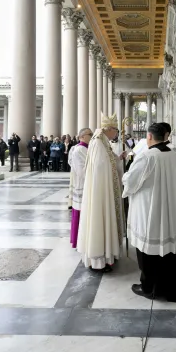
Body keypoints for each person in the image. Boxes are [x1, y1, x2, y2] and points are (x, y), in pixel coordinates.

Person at [123, 123, 176, 302]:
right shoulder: (172, 154)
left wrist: (125, 174)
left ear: (149, 136)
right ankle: (171, 286)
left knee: (149, 246)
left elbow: (131, 181)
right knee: (168, 248)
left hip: (150, 208)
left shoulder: (147, 156)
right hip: (169, 208)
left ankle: (149, 287)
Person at [78, 113, 127, 272]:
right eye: (116, 131)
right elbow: (100, 167)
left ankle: (108, 256)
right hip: (101, 190)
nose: (117, 134)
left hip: (106, 187)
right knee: (100, 220)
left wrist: (118, 158)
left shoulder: (103, 141)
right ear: (110, 129)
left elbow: (109, 160)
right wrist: (115, 166)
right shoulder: (98, 142)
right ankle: (99, 260)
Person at [68, 128, 92, 248]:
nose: (92, 136)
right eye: (90, 134)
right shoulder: (79, 150)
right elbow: (81, 171)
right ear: (82, 136)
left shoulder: (87, 148)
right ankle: (78, 241)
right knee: (80, 212)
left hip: (87, 184)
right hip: (82, 185)